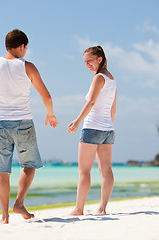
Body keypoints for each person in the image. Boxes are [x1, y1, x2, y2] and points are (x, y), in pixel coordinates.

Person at [0, 29, 58, 225]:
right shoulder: (28, 67)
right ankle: (19, 203)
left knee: (3, 172)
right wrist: (50, 114)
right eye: (26, 48)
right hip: (23, 123)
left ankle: (4, 217)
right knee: (30, 165)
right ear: (22, 46)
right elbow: (47, 96)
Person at [67, 46, 117, 215]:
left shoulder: (98, 78)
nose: (86, 64)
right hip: (108, 130)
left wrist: (76, 121)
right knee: (106, 170)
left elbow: (91, 103)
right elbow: (113, 109)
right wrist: (108, 126)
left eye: (89, 60)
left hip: (92, 128)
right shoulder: (112, 79)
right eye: (85, 62)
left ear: (99, 59)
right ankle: (102, 208)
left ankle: (79, 209)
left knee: (84, 170)